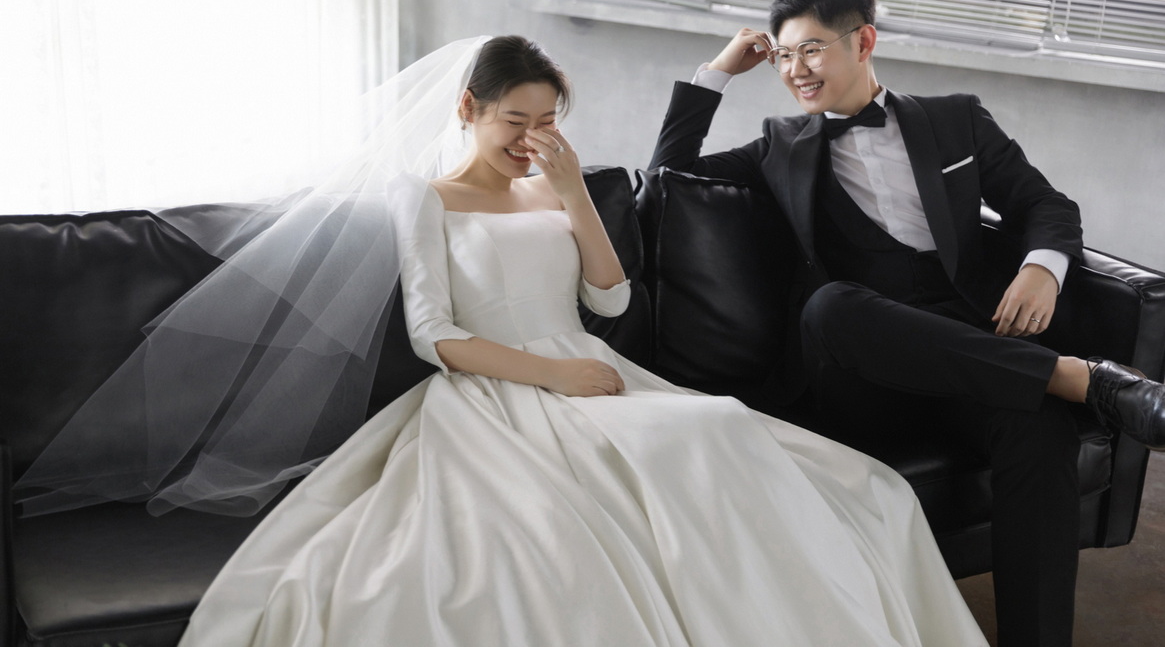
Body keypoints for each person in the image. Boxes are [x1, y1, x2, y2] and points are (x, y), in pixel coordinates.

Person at [160, 35, 990, 645]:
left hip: (594, 368)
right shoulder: (425, 197)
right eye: (513, 121)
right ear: (467, 110)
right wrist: (553, 376)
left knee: (787, 455)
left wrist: (573, 194)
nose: (532, 138)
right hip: (499, 389)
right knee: (608, 497)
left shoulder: (554, 185)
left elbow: (609, 296)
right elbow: (433, 334)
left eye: (547, 121)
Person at [649, 0, 1165, 647]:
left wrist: (1042, 269)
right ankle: (1084, 380)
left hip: (968, 351)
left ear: (863, 42)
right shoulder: (779, 145)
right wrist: (716, 72)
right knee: (831, 306)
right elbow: (664, 179)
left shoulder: (955, 119)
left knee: (1040, 429)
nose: (795, 70)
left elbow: (1044, 204)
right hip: (863, 372)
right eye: (784, 56)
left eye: (811, 50)